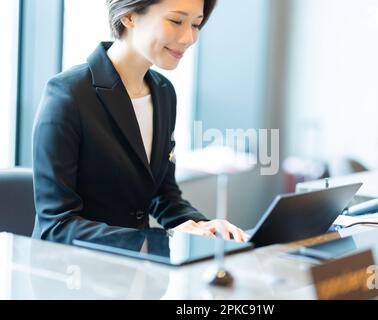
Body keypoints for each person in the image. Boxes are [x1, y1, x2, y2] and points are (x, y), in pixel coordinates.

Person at [32, 0, 247, 245]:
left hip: (136, 273)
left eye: (196, 24)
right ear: (130, 16)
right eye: (176, 21)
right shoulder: (67, 95)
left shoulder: (163, 92)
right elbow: (58, 226)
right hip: (72, 272)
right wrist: (157, 239)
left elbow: (163, 195)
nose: (189, 37)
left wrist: (205, 229)